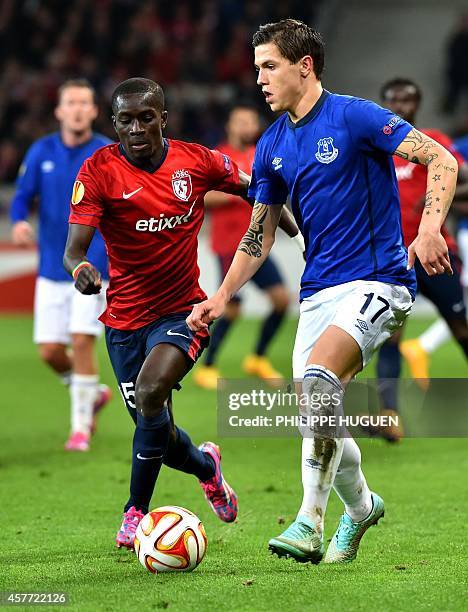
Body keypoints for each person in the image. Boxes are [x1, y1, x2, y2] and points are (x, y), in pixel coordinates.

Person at [187, 19, 457, 564]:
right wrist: (221, 296)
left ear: (303, 66)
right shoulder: (271, 146)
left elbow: (440, 159)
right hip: (318, 293)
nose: (259, 79)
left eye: (269, 66)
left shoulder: (353, 115)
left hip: (379, 280)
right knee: (319, 415)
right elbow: (260, 234)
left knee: (319, 385)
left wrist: (428, 230)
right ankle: (361, 508)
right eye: (257, 67)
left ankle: (308, 521)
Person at [63, 77, 304, 549]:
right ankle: (207, 468)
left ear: (162, 118)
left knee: (152, 392)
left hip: (184, 311)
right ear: (114, 124)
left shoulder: (195, 161)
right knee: (160, 434)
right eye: (126, 120)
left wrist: (285, 220)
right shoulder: (98, 171)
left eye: (145, 118)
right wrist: (82, 270)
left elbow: (252, 186)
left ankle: (135, 511)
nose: (136, 128)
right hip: (124, 320)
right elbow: (73, 251)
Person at [10, 79, 112, 452]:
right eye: (71, 102)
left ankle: (80, 429)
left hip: (92, 267)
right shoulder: (41, 151)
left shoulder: (106, 153)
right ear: (59, 110)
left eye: (85, 102)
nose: (78, 109)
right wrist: (19, 220)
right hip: (50, 269)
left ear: (94, 110)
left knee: (82, 341)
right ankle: (91, 393)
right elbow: (21, 197)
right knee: (50, 351)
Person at [375, 79, 468, 441]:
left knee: (460, 327)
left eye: (408, 100)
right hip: (393, 260)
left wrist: (436, 196)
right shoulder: (372, 146)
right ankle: (389, 415)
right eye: (394, 99)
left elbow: (463, 178)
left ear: (418, 104)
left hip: (435, 254)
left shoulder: (433, 142)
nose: (402, 106)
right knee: (392, 337)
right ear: (383, 103)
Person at [194, 104, 291, 390]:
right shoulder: (216, 157)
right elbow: (203, 198)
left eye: (250, 121)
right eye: (241, 121)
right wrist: (244, 191)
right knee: (231, 307)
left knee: (282, 301)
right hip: (227, 243)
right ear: (230, 126)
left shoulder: (261, 154)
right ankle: (207, 367)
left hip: (256, 242)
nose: (246, 126)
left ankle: (257, 358)